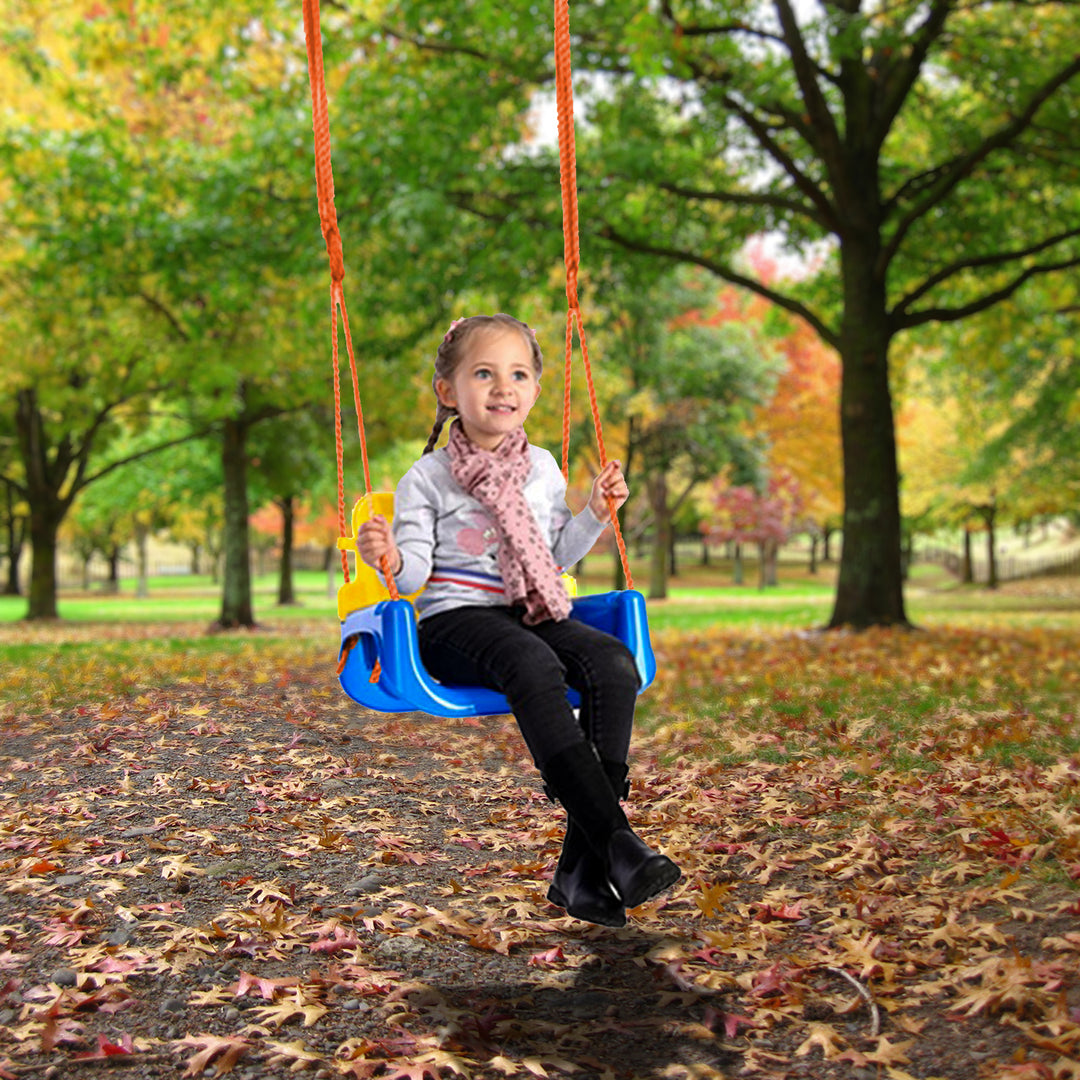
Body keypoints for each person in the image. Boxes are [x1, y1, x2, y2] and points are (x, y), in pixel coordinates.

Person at [356, 313, 680, 927]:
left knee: (613, 663)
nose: (503, 387)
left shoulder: (543, 467)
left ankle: (584, 869)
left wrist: (595, 512)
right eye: (484, 373)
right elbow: (413, 576)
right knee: (533, 662)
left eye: (518, 375)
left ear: (534, 390)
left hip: (531, 609)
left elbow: (554, 554)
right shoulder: (427, 478)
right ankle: (616, 842)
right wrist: (390, 558)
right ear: (448, 391)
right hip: (455, 623)